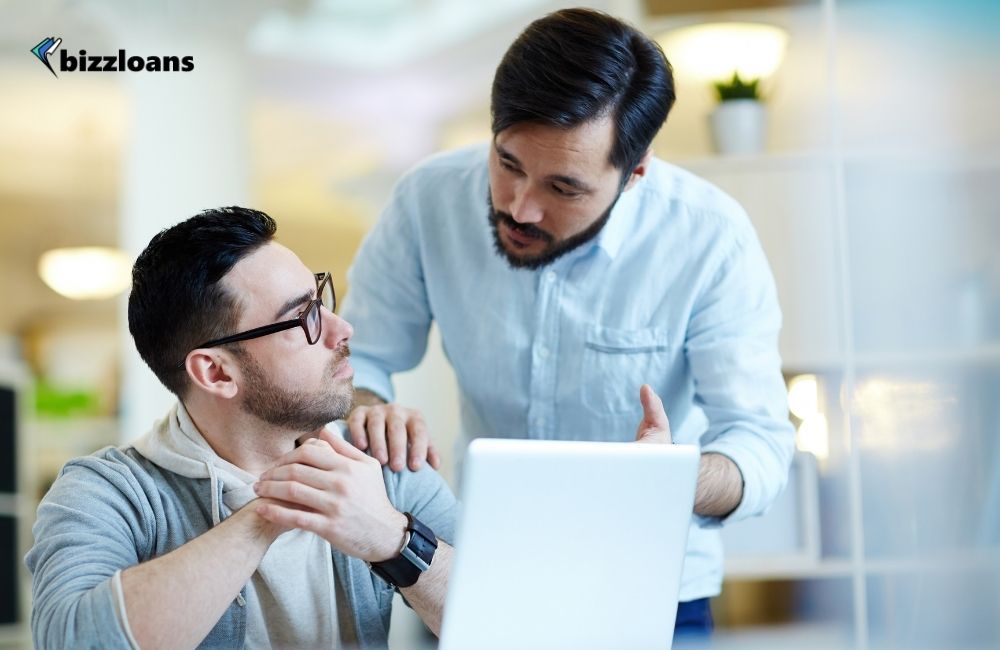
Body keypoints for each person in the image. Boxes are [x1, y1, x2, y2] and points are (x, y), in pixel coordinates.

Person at [339, 7, 796, 635]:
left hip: (656, 591)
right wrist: (367, 406)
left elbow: (761, 443)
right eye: (508, 163)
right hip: (471, 572)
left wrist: (670, 479)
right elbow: (358, 359)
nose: (520, 207)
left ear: (634, 172)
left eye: (565, 188)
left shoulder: (710, 238)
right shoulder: (427, 200)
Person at [25, 207, 461, 649]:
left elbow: (517, 621)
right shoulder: (106, 492)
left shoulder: (378, 463)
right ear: (216, 373)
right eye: (304, 317)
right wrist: (270, 512)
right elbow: (71, 640)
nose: (341, 329)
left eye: (322, 299)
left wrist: (393, 537)